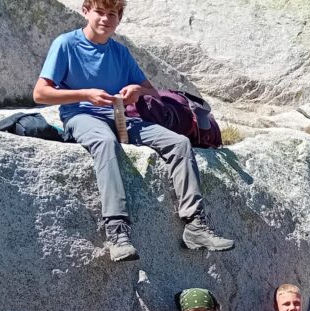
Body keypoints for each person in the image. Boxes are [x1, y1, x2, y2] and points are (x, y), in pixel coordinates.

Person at [33, 0, 235, 261]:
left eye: (112, 14)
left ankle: (195, 225)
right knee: (105, 143)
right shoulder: (66, 44)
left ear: (119, 18)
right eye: (99, 12)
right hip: (81, 116)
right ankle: (117, 231)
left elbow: (152, 92)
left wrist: (137, 91)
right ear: (85, 11)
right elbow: (40, 94)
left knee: (179, 143)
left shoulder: (120, 52)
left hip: (121, 117)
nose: (105, 19)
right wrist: (85, 94)